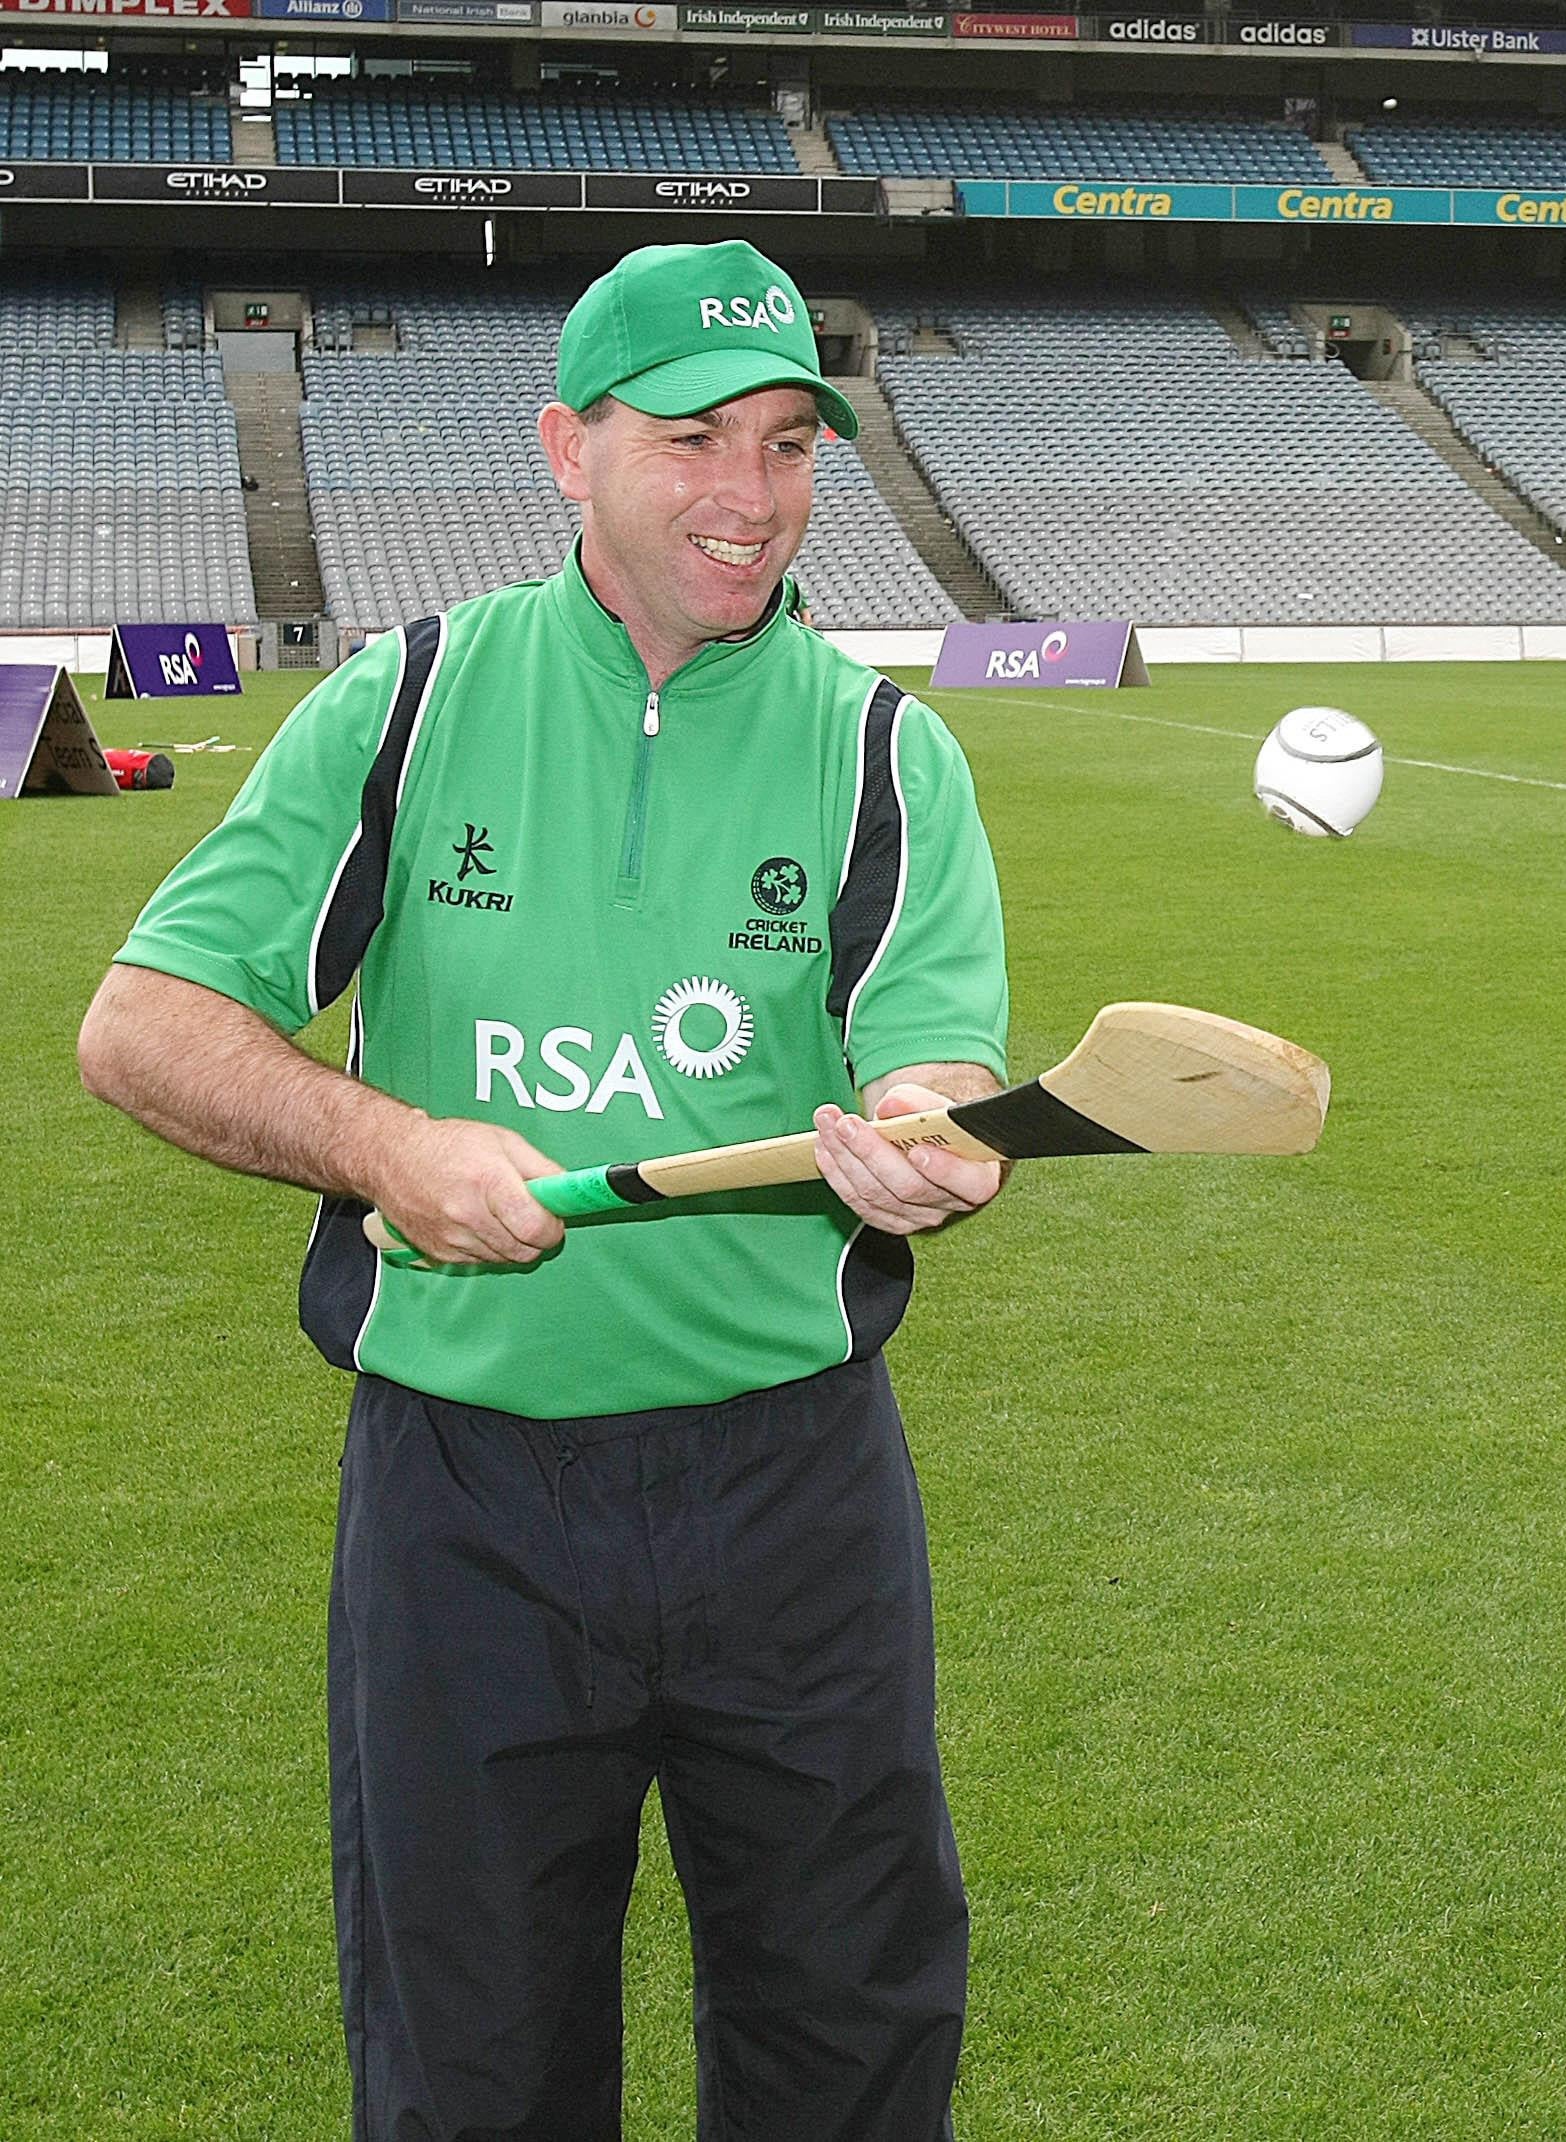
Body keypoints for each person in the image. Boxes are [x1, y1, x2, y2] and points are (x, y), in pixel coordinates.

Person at [78, 240, 1011, 2137]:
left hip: (795, 1492)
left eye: (784, 444)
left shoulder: (882, 748)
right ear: (566, 450)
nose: (746, 497)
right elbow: (143, 1023)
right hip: (468, 1502)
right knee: (473, 2062)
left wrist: (927, 1124)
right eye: (690, 440)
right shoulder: (407, 702)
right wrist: (382, 1145)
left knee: (848, 2032)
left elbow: (945, 1058)